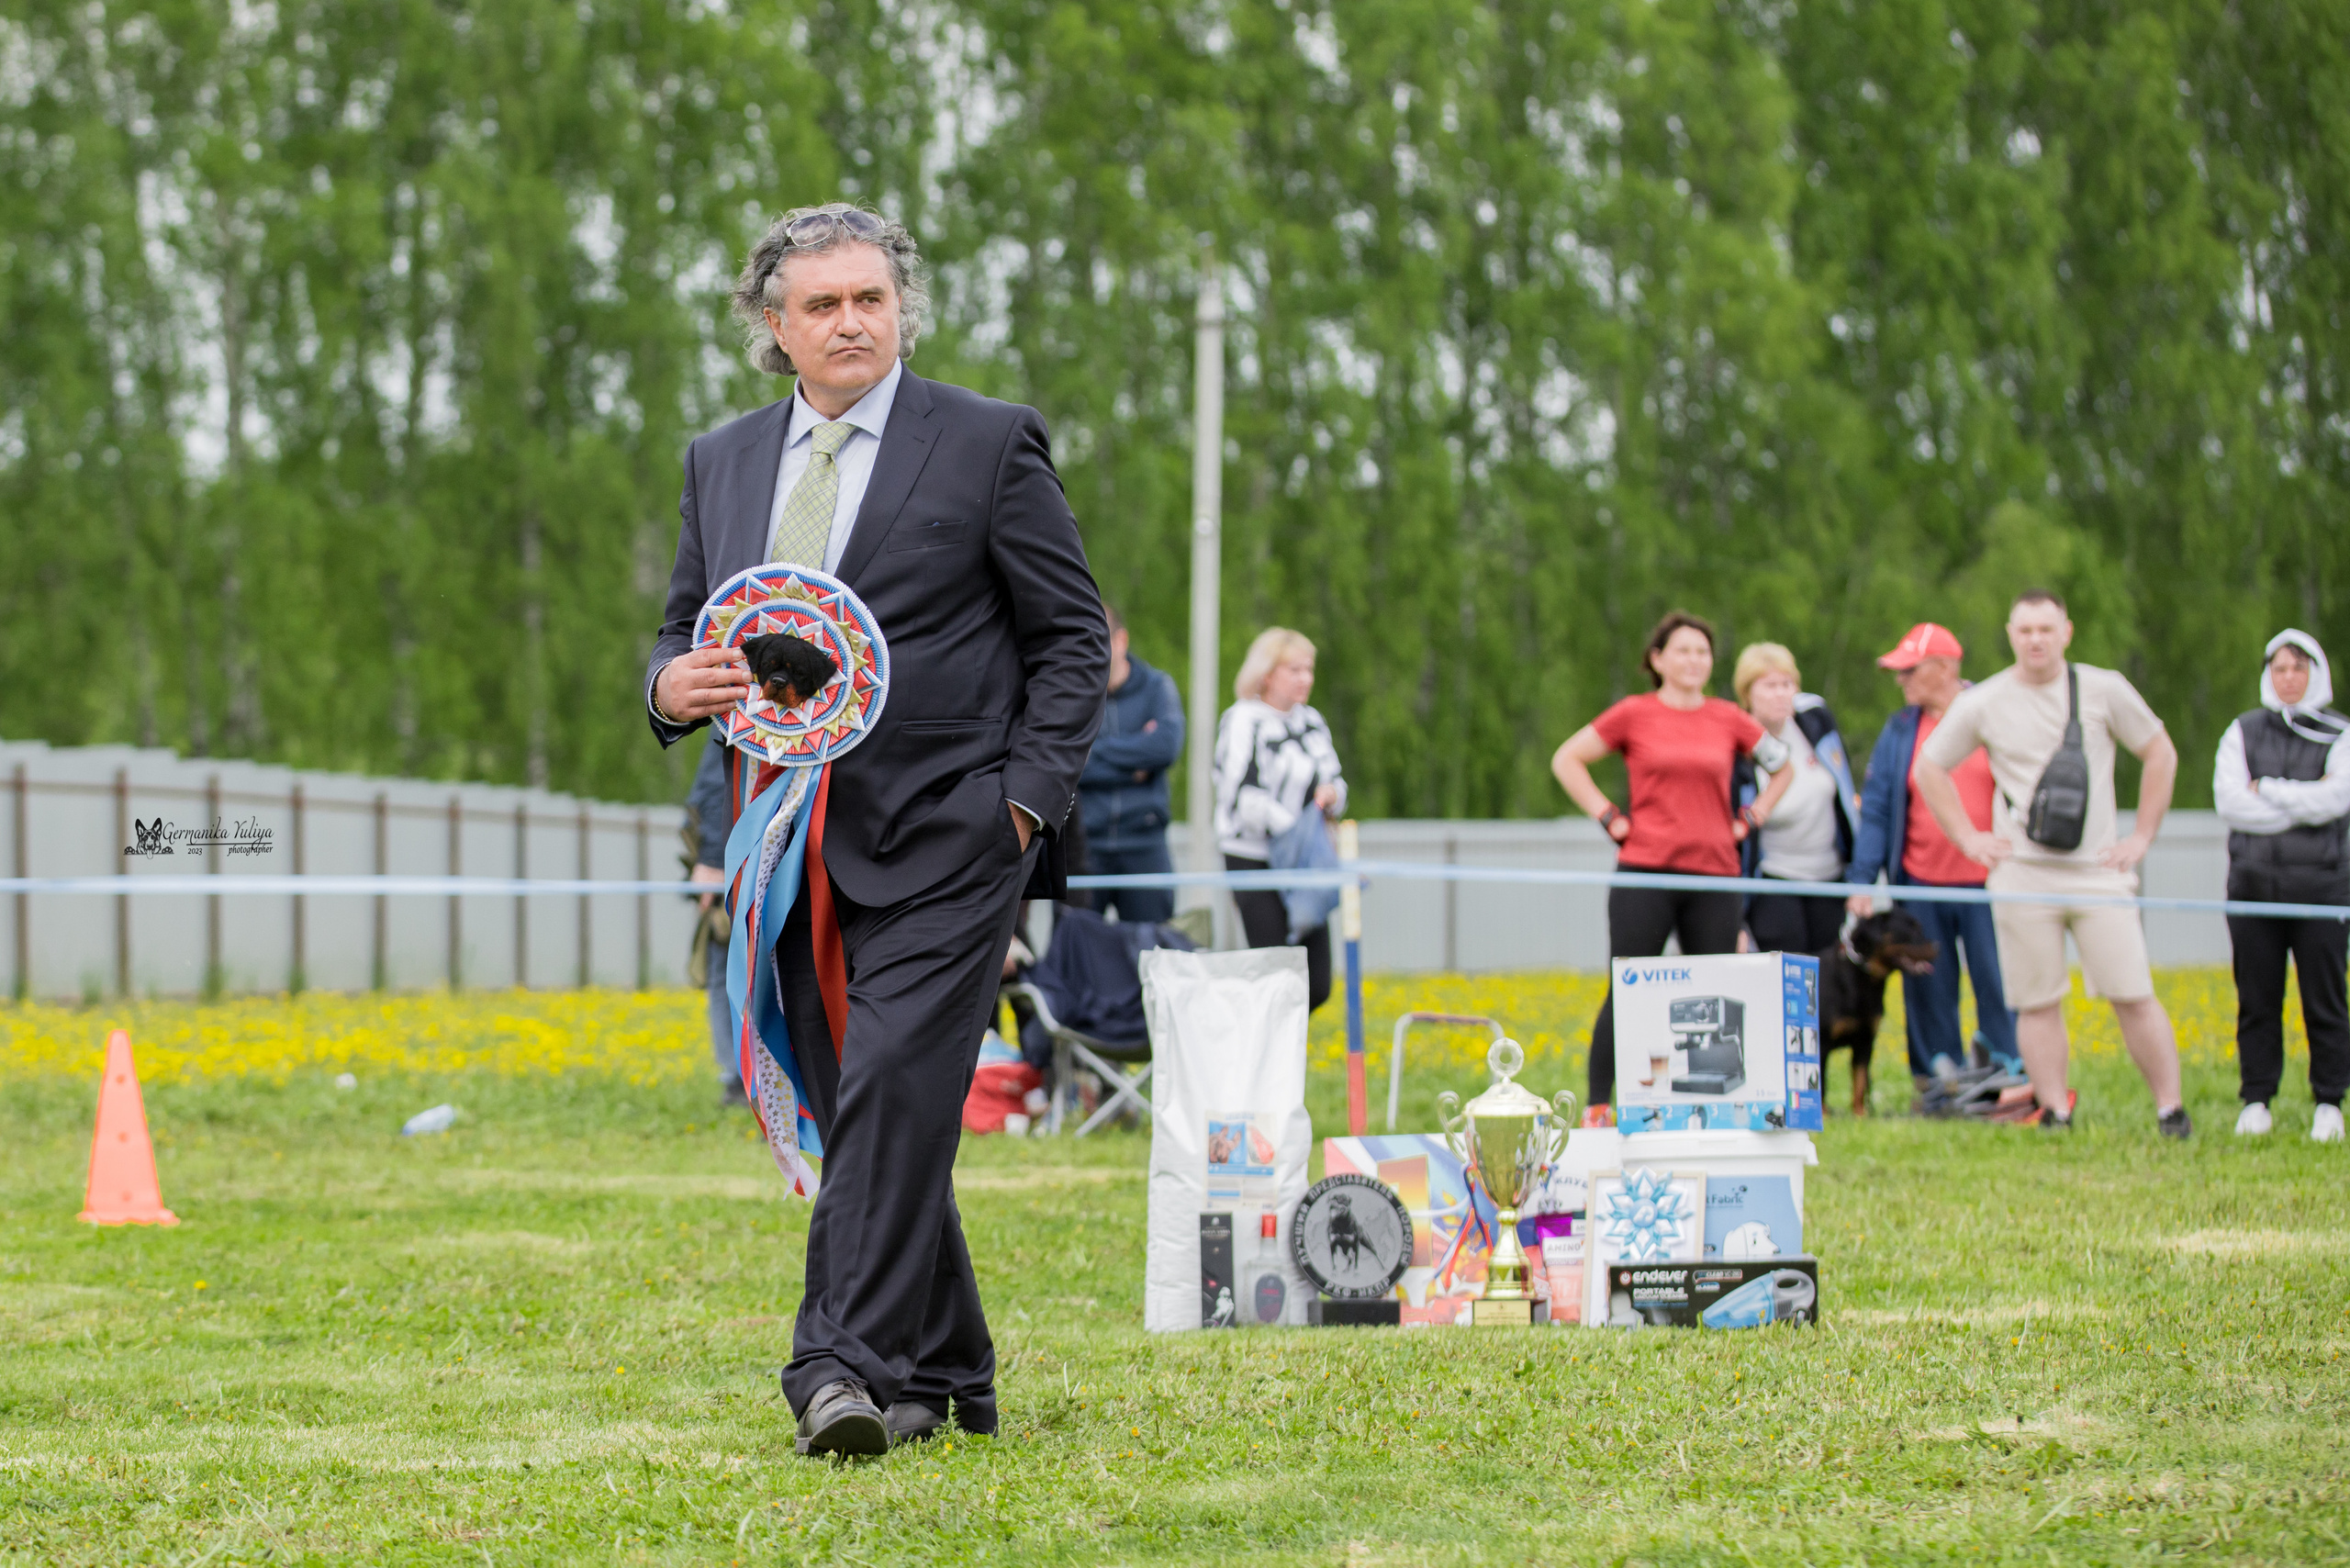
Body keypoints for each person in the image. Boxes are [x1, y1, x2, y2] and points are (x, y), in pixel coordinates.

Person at [643, 203, 1107, 1454]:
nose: (851, 322)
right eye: (822, 305)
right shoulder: (722, 461)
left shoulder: (988, 443)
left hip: (955, 838)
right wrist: (667, 687)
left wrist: (1023, 801)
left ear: (902, 309)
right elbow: (691, 625)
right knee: (865, 1109)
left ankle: (836, 1369)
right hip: (787, 845)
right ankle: (949, 1370)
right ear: (773, 327)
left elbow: (1071, 638)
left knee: (901, 1083)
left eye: (871, 299)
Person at [1912, 590, 2188, 1135]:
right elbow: (1929, 768)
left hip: (2098, 873)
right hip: (2022, 875)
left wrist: (2143, 837)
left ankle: (2171, 1110)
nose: (2035, 639)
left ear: (2067, 631)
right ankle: (2055, 1111)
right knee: (2036, 1001)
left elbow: (2161, 752)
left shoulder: (2104, 689)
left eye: (2046, 628)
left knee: (2132, 992)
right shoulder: (1984, 701)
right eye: (2024, 630)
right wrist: (1970, 838)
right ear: (2010, 635)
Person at [1552, 612, 1793, 1111]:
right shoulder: (1634, 713)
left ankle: (1715, 1107)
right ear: (1657, 659)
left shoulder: (1729, 717)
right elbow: (1567, 759)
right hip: (1646, 872)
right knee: (1626, 989)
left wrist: (1752, 817)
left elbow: (1783, 765)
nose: (1693, 660)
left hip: (1715, 876)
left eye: (1703, 651)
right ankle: (1600, 1107)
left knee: (1716, 999)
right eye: (1682, 650)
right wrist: (1608, 817)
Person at [1845, 622, 2020, 1083]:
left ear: (1944, 669)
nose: (1900, 680)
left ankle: (2008, 1077)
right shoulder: (1901, 728)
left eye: (1909, 670)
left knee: (1998, 984)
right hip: (1920, 881)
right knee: (1928, 988)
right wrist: (1862, 878)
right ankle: (1937, 1085)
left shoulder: (1996, 714)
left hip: (1991, 884)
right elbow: (1879, 807)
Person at [2213, 630, 2349, 1142]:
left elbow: (2336, 801)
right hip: (2253, 889)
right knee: (2257, 997)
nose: (2289, 677)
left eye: (2299, 667)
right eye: (2279, 668)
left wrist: (2267, 790)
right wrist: (2300, 807)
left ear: (2317, 673)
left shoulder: (2340, 733)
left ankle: (2330, 1102)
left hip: (2323, 890)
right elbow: (2230, 804)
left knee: (2326, 998)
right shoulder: (2243, 731)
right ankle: (2256, 1099)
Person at [1214, 626, 1346, 1012]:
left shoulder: (1312, 721)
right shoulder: (1242, 720)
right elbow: (1236, 792)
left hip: (1305, 861)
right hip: (1254, 856)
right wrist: (1289, 827)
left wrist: (1333, 795)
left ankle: (1281, 1057)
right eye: (1294, 669)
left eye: (1309, 669)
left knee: (1316, 981)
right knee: (1274, 975)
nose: (1305, 678)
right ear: (1267, 673)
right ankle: (1265, 1062)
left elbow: (1335, 779)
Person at [1731, 643, 1858, 956]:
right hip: (1775, 880)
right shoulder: (1736, 747)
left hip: (1831, 877)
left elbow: (1842, 785)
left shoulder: (1815, 718)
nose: (1780, 694)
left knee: (1828, 972)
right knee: (1788, 971)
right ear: (1748, 694)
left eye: (1787, 684)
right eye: (1770, 686)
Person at [1076, 604, 1184, 925]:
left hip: (1145, 844)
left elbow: (1165, 747)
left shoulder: (1157, 687)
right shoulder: (1072, 692)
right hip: (1084, 847)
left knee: (1151, 956)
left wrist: (1093, 752)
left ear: (1121, 640)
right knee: (1078, 961)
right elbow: (1066, 760)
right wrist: (1135, 762)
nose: (1090, 653)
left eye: (1099, 641)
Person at [684, 736, 744, 1106]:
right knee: (724, 967)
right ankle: (736, 1079)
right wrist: (710, 859)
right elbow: (715, 779)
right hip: (727, 859)